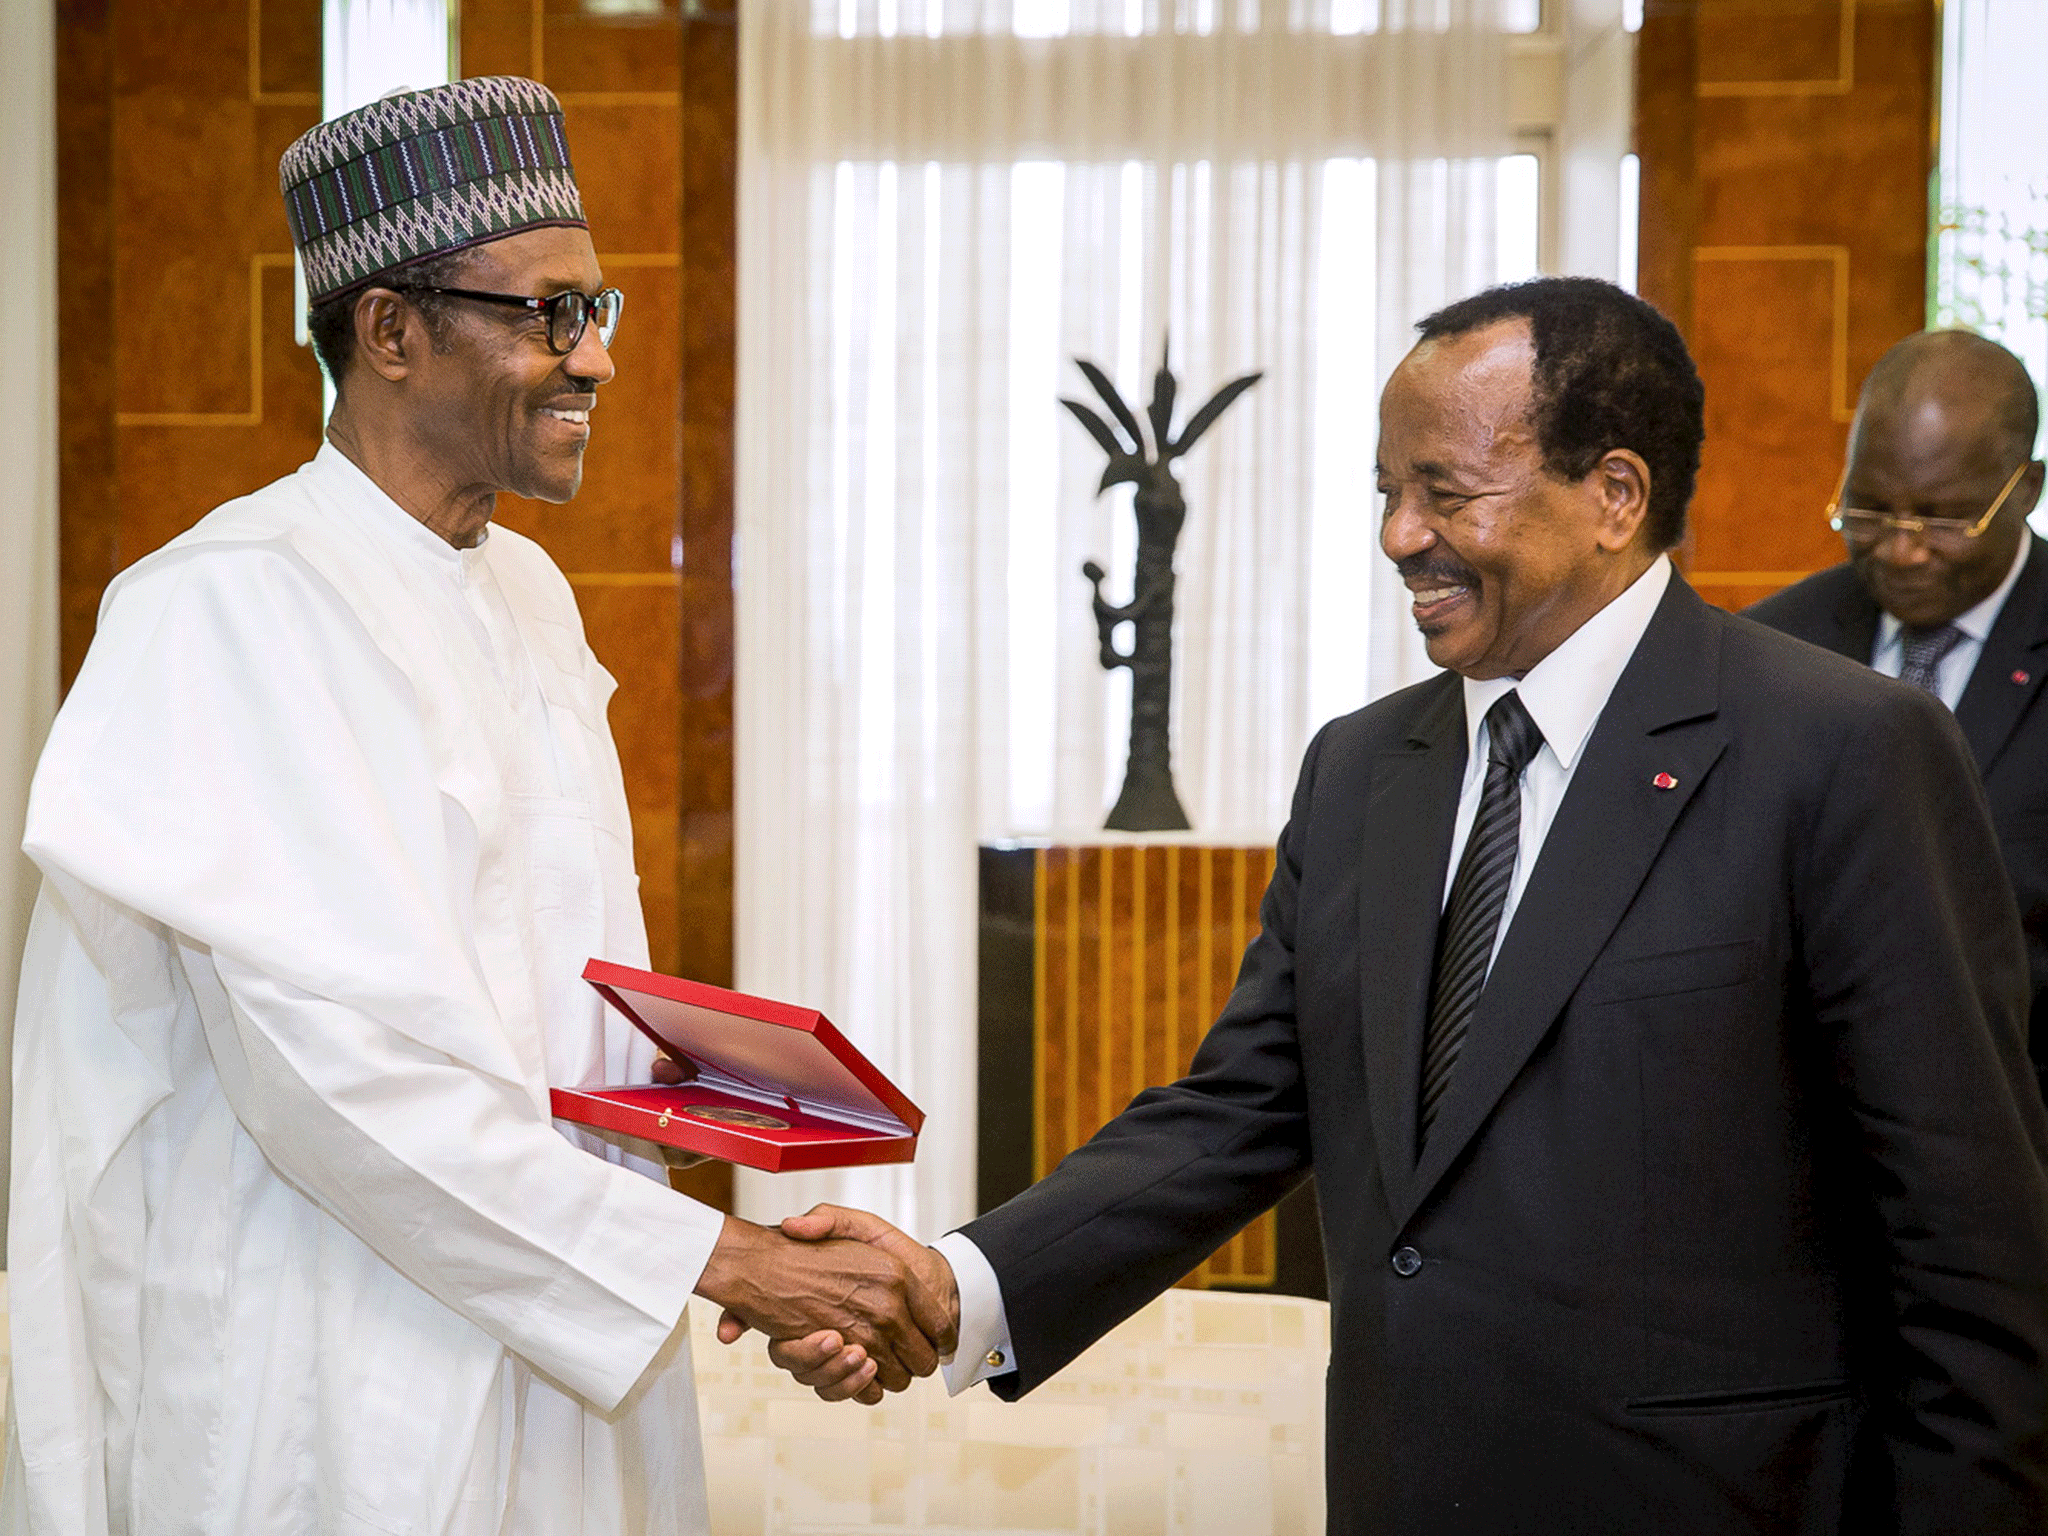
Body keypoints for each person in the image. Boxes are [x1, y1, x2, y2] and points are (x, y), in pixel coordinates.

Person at [755, 278, 2048, 1533]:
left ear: (1614, 495)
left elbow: (1968, 1258)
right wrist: (955, 1283)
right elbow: (1243, 1110)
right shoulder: (1366, 768)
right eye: (1388, 493)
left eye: (1447, 491)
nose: (1399, 537)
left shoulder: (1841, 751)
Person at [2, 77, 945, 1535]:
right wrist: (727, 1264)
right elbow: (338, 1083)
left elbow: (546, 1003)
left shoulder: (528, 594)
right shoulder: (223, 609)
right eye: (548, 315)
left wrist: (745, 1113)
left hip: (564, 1358)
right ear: (389, 331)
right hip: (332, 1371)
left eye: (599, 307)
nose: (598, 360)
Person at [1748, 330, 2048, 1099]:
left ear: (2026, 489)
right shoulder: (1773, 646)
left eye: (1944, 519)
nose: (1903, 551)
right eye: (1870, 511)